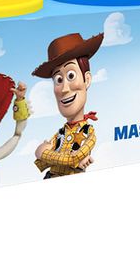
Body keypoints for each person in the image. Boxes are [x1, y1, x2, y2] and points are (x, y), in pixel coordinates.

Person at [31, 31, 103, 178]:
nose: (64, 89)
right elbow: (40, 158)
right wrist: (43, 153)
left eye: (71, 75)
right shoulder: (60, 133)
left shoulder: (89, 133)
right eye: (58, 79)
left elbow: (72, 159)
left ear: (87, 80)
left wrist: (46, 153)